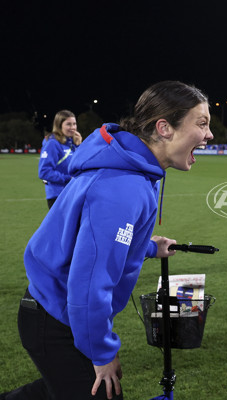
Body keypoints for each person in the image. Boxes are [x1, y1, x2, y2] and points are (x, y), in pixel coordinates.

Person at [1, 80, 214, 400]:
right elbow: (88, 284)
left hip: (51, 312)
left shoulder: (135, 168)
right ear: (164, 128)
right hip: (58, 320)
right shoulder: (123, 185)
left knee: (52, 392)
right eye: (202, 123)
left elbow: (99, 244)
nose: (209, 134)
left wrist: (148, 248)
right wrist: (102, 353)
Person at [38, 109, 83, 209]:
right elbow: (44, 172)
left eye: (74, 124)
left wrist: (79, 146)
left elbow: (81, 165)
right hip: (58, 195)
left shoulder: (73, 144)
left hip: (73, 193)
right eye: (68, 124)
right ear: (59, 125)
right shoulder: (52, 143)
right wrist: (68, 178)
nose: (72, 128)